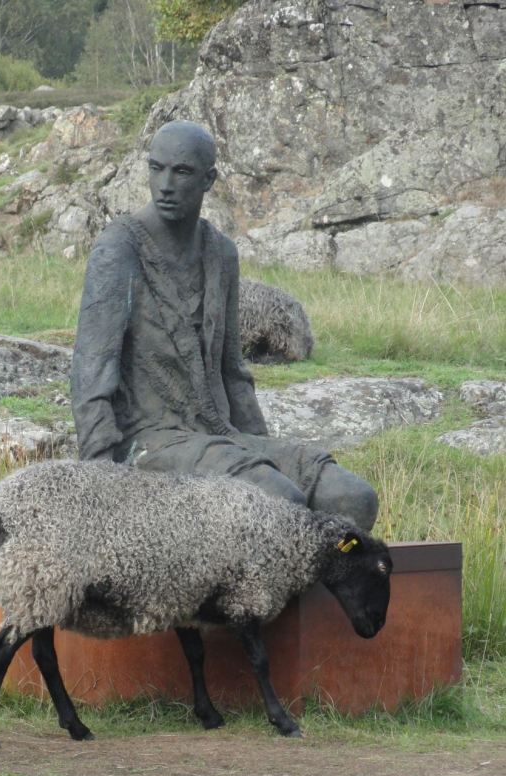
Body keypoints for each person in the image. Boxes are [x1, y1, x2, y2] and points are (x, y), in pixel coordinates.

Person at [71, 120, 378, 529]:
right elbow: (91, 372)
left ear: (208, 179)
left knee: (353, 498)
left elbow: (233, 373)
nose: (165, 185)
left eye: (180, 172)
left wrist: (262, 451)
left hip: (221, 435)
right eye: (156, 168)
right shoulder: (119, 249)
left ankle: (321, 587)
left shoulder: (221, 254)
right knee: (278, 501)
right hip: (148, 443)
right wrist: (99, 483)